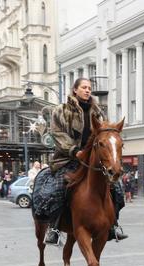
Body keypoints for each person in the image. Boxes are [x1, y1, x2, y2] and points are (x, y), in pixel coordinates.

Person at [43, 77, 128, 244]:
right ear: (75, 90)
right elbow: (57, 134)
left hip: (92, 159)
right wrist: (75, 151)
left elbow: (104, 133)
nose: (88, 90)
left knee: (117, 190)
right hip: (67, 159)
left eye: (89, 88)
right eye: (84, 87)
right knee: (57, 190)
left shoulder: (98, 112)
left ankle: (113, 225)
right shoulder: (61, 110)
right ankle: (53, 228)